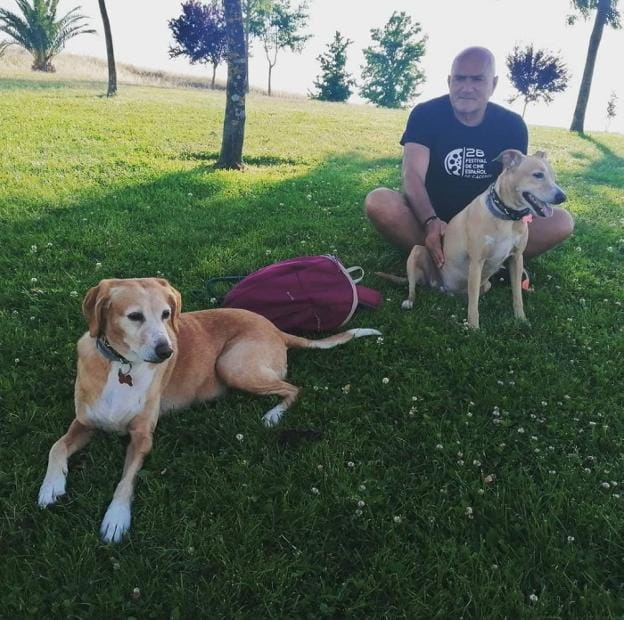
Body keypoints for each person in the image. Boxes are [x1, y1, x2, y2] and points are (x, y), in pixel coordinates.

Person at [364, 46, 574, 273]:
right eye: (459, 79)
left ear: (493, 85)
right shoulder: (425, 114)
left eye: (477, 80)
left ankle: (488, 262)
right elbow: (411, 175)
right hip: (431, 217)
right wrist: (430, 221)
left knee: (561, 222)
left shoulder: (511, 125)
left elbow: (514, 187)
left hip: (486, 223)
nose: (466, 88)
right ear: (449, 81)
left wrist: (511, 229)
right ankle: (438, 260)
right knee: (379, 202)